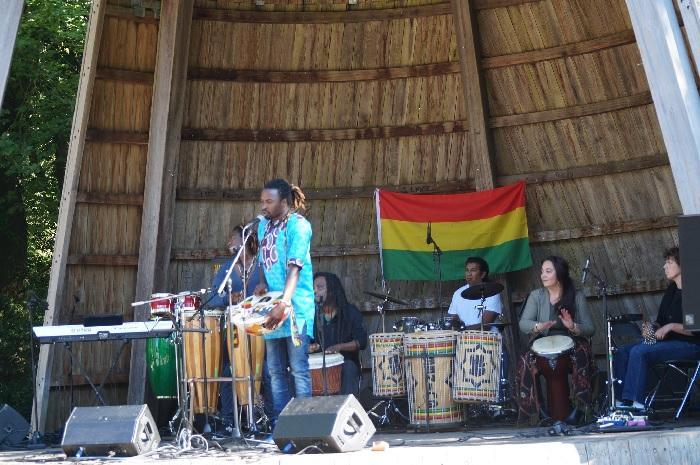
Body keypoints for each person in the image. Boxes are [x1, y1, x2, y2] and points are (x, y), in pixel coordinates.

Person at [254, 178, 314, 427]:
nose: (263, 206)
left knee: (298, 369)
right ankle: (282, 427)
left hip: (295, 307)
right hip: (272, 307)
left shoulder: (299, 226)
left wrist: (284, 302)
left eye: (269, 201)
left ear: (284, 202)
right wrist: (262, 285)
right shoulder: (262, 228)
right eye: (262, 202)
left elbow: (295, 267)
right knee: (275, 372)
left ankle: (304, 427)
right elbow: (261, 263)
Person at [613, 246, 700, 410]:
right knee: (622, 352)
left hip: (692, 345)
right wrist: (651, 328)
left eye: (669, 262)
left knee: (639, 352)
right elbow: (661, 322)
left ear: (682, 265)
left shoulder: (694, 291)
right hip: (669, 343)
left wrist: (671, 327)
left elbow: (696, 329)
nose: (664, 266)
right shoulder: (672, 289)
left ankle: (635, 404)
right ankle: (620, 403)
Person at [517, 255, 595, 425]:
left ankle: (580, 408)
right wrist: (539, 326)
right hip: (543, 342)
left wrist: (573, 326)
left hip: (571, 343)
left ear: (559, 273)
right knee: (524, 360)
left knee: (582, 353)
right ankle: (539, 410)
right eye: (542, 272)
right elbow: (523, 323)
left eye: (548, 271)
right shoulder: (537, 296)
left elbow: (590, 328)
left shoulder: (576, 296)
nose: (543, 275)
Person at [204, 225, 264, 429]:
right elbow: (212, 298)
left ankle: (269, 417)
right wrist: (230, 298)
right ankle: (229, 420)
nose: (229, 243)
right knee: (228, 370)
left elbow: (276, 293)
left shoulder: (262, 266)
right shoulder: (227, 269)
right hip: (235, 335)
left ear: (245, 241)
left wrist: (262, 293)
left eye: (233, 238)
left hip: (261, 333)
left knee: (266, 370)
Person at [310, 272, 368, 396]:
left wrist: (339, 347)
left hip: (345, 363)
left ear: (332, 290)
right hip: (317, 366)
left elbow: (362, 341)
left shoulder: (350, 313)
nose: (315, 291)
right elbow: (305, 341)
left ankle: (346, 411)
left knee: (348, 368)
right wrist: (310, 347)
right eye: (313, 288)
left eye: (319, 287)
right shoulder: (312, 316)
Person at [448, 256, 503, 331]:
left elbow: (486, 326)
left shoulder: (492, 293)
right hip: (462, 339)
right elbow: (454, 319)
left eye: (473, 270)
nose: (468, 274)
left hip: (487, 339)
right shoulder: (458, 293)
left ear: (483, 274)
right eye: (467, 270)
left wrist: (463, 330)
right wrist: (454, 324)